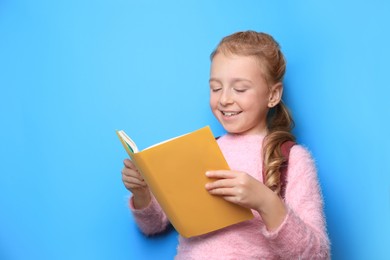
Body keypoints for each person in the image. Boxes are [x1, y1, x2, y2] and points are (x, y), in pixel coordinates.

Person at [121, 30, 330, 259]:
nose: (224, 99)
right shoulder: (197, 150)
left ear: (273, 95)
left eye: (239, 89)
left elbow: (316, 255)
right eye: (215, 88)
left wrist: (265, 202)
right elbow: (154, 225)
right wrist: (142, 193)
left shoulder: (292, 159)